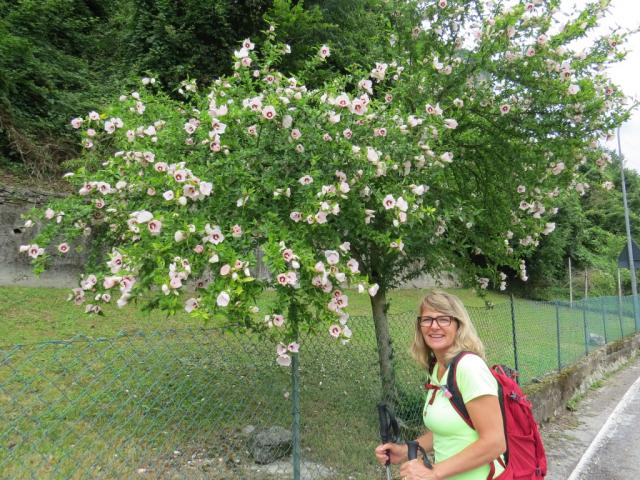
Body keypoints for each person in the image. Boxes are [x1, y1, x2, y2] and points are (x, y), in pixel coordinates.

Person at [374, 290, 506, 480]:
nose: (434, 326)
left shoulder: (470, 367)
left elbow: (495, 442)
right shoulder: (438, 369)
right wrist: (403, 452)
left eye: (444, 319)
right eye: (427, 319)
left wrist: (434, 471)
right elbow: (447, 433)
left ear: (458, 325)